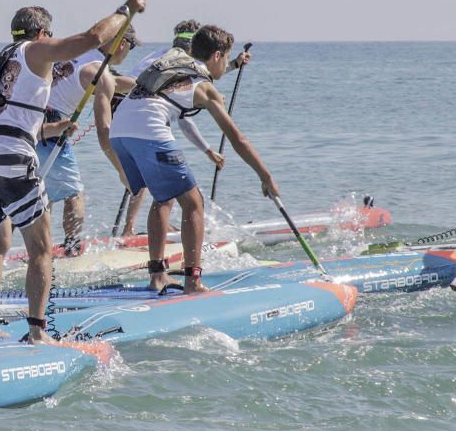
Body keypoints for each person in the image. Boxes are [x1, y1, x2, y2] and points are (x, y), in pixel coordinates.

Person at [0, 0, 146, 342]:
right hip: (13, 161)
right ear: (42, 33)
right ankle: (37, 333)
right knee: (40, 248)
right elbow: (94, 37)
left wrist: (52, 129)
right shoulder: (36, 51)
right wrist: (125, 10)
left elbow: (5, 116)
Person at [110, 24, 278, 293]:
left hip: (118, 131)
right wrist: (266, 176)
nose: (225, 65)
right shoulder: (204, 87)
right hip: (148, 130)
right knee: (193, 203)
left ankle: (157, 276)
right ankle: (193, 281)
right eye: (226, 58)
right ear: (217, 55)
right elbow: (238, 139)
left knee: (162, 198)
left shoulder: (174, 61)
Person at [111, 20, 240, 236]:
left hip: (126, 116)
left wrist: (234, 64)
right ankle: (131, 229)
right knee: (164, 184)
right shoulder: (173, 61)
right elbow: (185, 116)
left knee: (152, 180)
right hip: (134, 111)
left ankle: (132, 229)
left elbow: (204, 74)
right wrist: (208, 149)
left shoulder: (166, 56)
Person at [35, 23, 140, 255]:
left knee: (43, 191)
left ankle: (39, 250)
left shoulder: (77, 54)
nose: (128, 53)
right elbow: (104, 131)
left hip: (27, 122)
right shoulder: (100, 76)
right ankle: (71, 251)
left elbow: (113, 82)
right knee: (74, 193)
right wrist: (122, 171)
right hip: (53, 129)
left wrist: (147, 87)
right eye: (130, 48)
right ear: (122, 43)